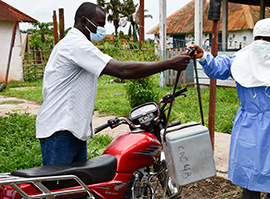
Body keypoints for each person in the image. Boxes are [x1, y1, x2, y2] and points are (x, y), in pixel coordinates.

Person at [36, 2, 190, 166]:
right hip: (60, 130)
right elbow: (122, 70)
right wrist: (168, 64)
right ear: (83, 21)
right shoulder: (76, 45)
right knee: (61, 187)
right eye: (99, 24)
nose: (102, 30)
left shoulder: (75, 44)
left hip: (70, 130)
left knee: (77, 188)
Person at [190, 18, 270, 199]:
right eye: (258, 38)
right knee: (249, 181)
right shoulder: (243, 57)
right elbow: (218, 68)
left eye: (267, 39)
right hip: (248, 125)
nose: (262, 43)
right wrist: (204, 56)